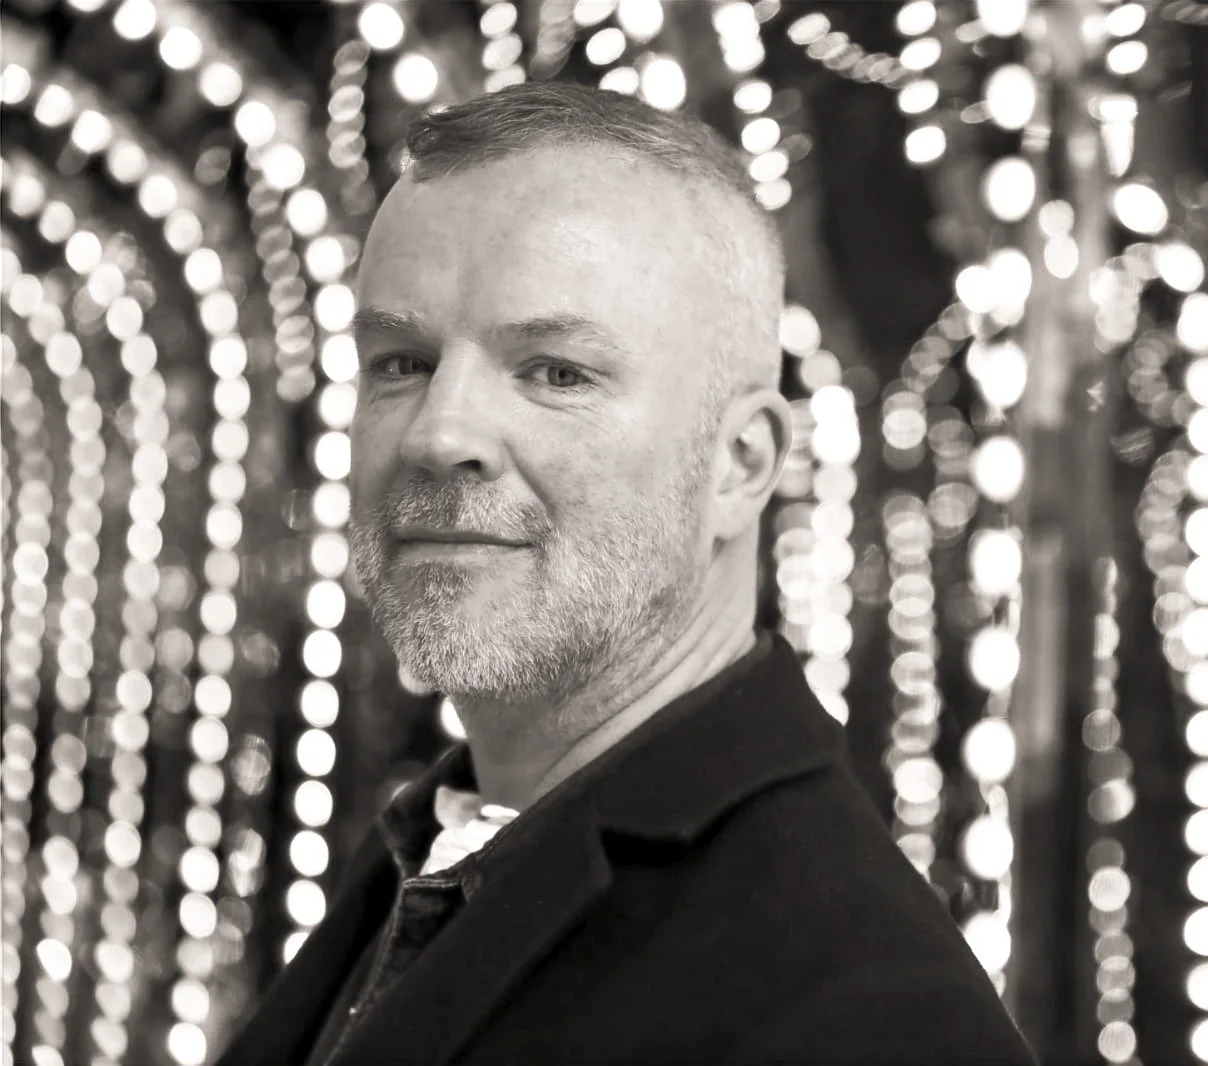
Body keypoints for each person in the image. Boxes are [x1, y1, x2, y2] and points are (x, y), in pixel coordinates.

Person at [219, 81, 1038, 1066]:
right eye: (401, 363)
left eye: (556, 371)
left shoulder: (865, 1015)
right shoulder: (438, 845)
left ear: (740, 464)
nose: (440, 433)